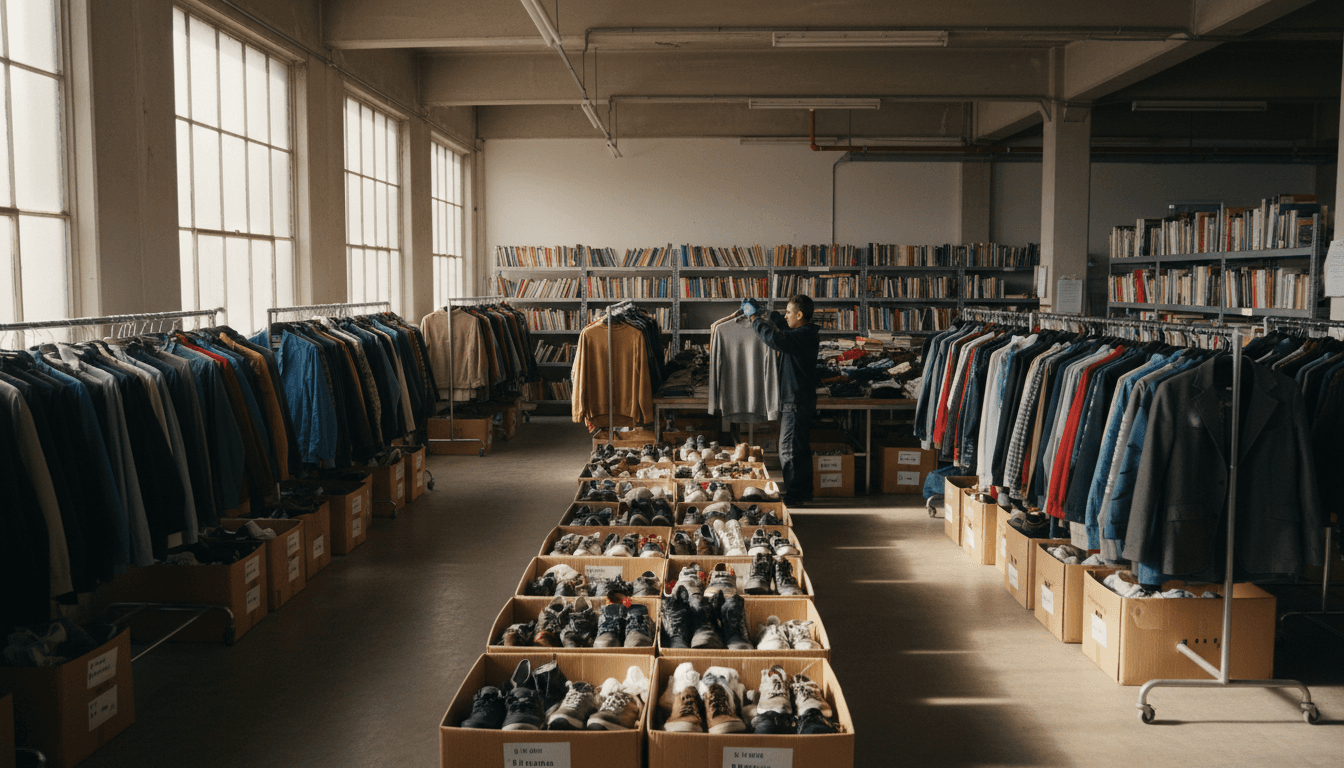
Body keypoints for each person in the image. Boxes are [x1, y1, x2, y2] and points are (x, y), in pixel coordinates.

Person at [743, 294, 819, 506]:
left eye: (788, 313)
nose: (786, 317)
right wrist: (769, 315)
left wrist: (755, 320)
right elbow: (783, 329)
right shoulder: (804, 333)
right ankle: (803, 493)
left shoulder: (802, 336)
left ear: (800, 315)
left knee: (789, 450)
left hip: (795, 401)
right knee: (799, 449)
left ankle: (794, 497)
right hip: (799, 400)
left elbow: (776, 339)